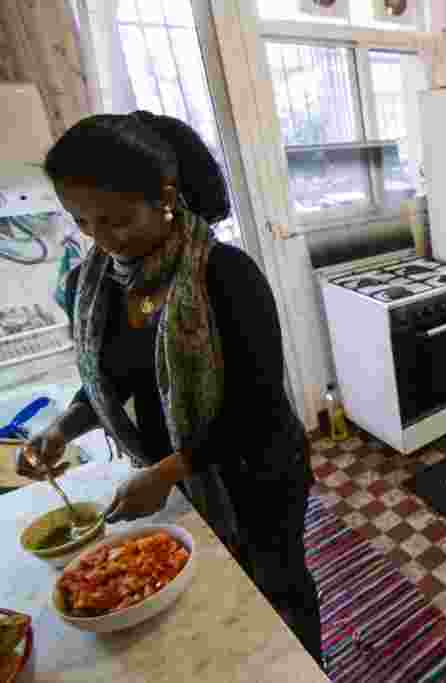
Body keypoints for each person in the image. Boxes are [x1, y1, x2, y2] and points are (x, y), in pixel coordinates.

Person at [13, 112, 323, 668]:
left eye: (117, 220)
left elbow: (259, 409)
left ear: (164, 195)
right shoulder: (94, 283)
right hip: (173, 480)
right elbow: (109, 384)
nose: (104, 240)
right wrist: (63, 427)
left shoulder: (225, 275)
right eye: (83, 222)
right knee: (217, 603)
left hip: (255, 477)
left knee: (277, 590)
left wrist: (170, 470)